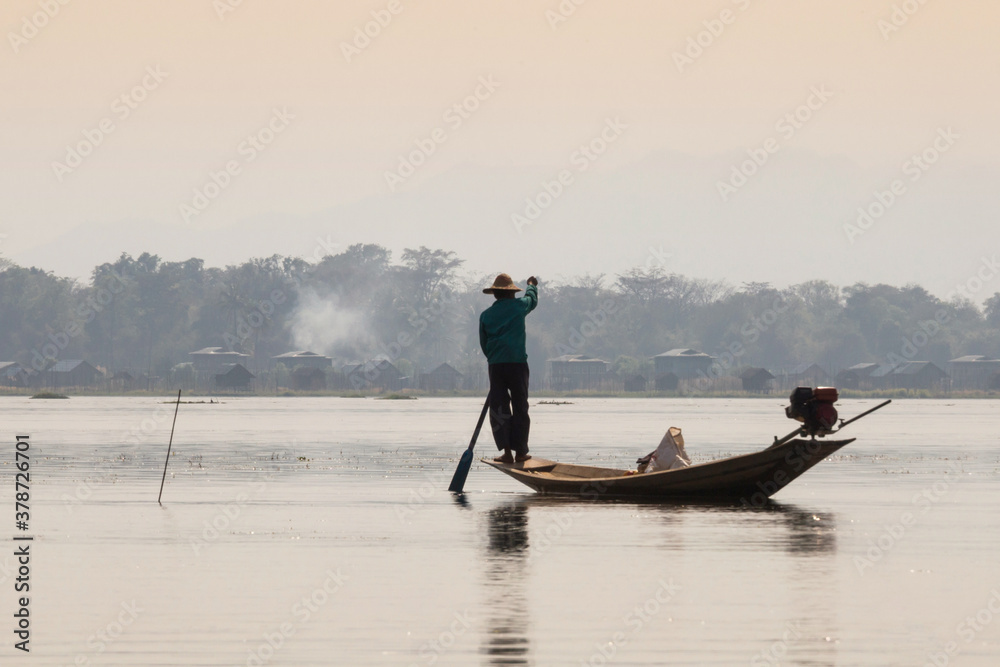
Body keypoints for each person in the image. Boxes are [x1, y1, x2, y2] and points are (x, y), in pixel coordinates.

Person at [479, 273, 538, 464]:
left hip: (496, 365)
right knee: (520, 406)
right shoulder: (519, 307)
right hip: (517, 364)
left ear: (496, 294)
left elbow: (484, 343)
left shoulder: (486, 315)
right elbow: (532, 300)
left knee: (499, 408)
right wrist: (531, 285)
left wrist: (495, 358)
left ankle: (507, 453)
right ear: (511, 293)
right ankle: (520, 452)